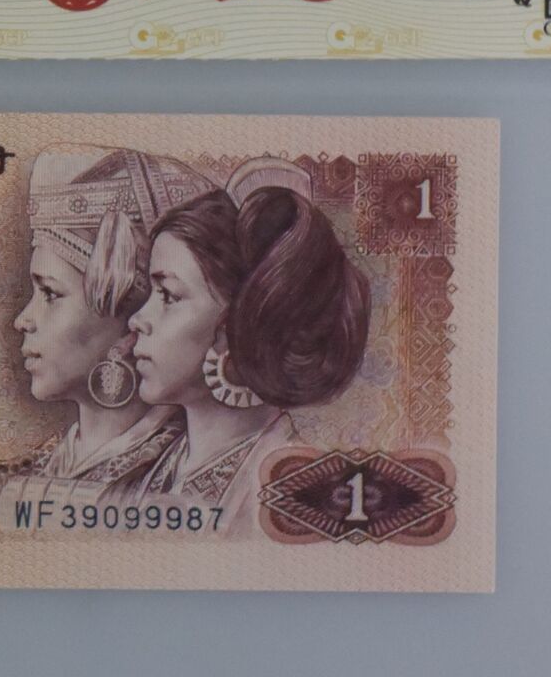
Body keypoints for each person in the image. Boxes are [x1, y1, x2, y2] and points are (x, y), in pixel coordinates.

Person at [124, 156, 371, 529]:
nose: (137, 320)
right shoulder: (143, 474)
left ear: (241, 322)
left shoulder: (297, 494)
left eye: (169, 296)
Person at [0, 144, 217, 509]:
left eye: (50, 293)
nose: (22, 320)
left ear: (133, 315)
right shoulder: (34, 471)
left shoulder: (186, 480)